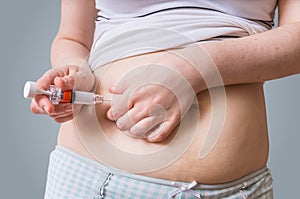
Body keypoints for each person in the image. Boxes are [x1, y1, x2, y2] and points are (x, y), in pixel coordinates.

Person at [30, 0, 300, 198]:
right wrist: (73, 72)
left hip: (228, 191)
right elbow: (72, 37)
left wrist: (193, 68)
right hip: (85, 179)